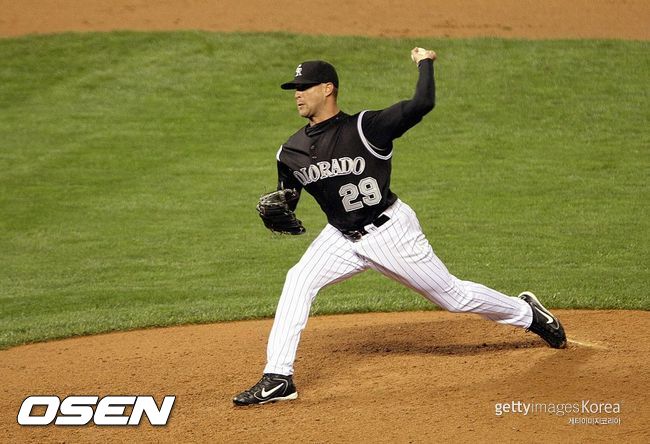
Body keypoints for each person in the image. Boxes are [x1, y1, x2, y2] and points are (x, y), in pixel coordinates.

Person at [233, 48, 567, 406]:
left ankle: (528, 313)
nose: (297, 94)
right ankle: (279, 377)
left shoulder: (366, 128)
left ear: (328, 88)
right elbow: (289, 201)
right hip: (341, 238)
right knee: (297, 280)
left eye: (305, 86)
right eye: (294, 88)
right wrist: (274, 210)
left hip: (390, 233)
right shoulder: (290, 151)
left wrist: (425, 62)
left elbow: (422, 103)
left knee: (455, 297)